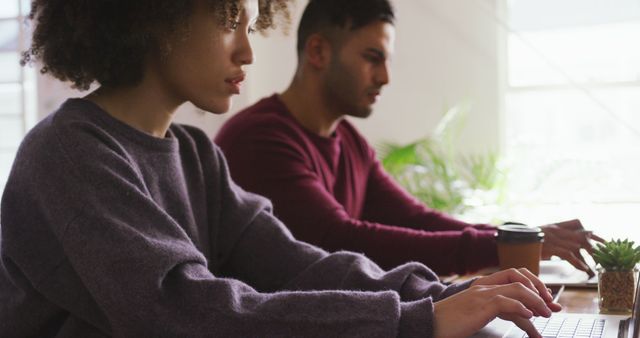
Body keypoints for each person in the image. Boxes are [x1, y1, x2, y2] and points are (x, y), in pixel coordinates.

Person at [0, 0, 561, 336]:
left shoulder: (195, 153)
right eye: (228, 20)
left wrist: (438, 296)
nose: (247, 51)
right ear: (155, 17)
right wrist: (415, 321)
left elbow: (297, 263)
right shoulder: (70, 152)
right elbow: (182, 313)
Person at [215, 0, 603, 276]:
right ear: (318, 51)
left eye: (386, 60)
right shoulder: (260, 139)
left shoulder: (349, 141)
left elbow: (417, 218)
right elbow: (337, 239)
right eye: (372, 57)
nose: (385, 77)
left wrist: (518, 237)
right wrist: (507, 247)